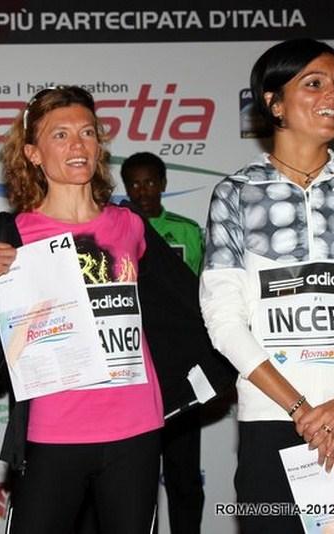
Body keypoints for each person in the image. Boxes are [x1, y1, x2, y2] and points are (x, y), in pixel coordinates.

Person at [0, 85, 234, 534]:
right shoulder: (15, 237)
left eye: (87, 132)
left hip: (136, 430)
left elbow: (191, 305)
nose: (78, 144)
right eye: (60, 135)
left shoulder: (130, 225)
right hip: (52, 432)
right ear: (33, 153)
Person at [200, 39, 334, 533]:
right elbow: (223, 320)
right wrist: (301, 409)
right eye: (314, 84)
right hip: (273, 418)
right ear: (274, 103)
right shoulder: (236, 194)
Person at [121, 151, 205, 534]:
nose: (143, 191)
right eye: (135, 183)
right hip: (135, 369)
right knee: (137, 476)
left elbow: (205, 300)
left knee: (184, 472)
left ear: (164, 184)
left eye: (150, 182)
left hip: (181, 369)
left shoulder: (187, 232)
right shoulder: (118, 229)